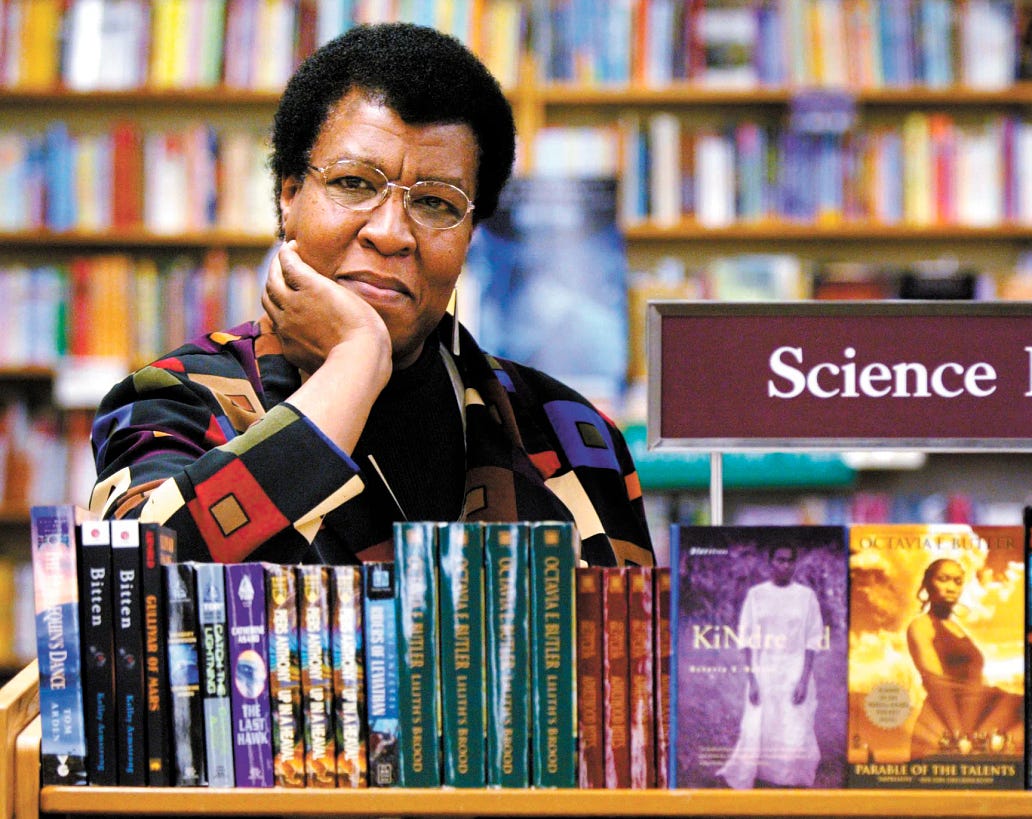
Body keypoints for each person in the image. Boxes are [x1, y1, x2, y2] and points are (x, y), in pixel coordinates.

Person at [86, 23, 653, 568]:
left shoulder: (573, 435)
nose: (390, 232)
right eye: (353, 183)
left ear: (470, 236)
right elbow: (133, 590)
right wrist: (356, 361)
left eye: (436, 202)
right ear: (289, 195)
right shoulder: (178, 402)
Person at [716, 545, 826, 789]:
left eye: (790, 561)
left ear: (795, 564)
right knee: (759, 721)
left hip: (794, 668)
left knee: (794, 722)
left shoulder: (806, 596)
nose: (785, 565)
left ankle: (789, 776)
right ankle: (760, 771)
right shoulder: (757, 595)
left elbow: (812, 639)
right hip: (764, 667)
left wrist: (804, 679)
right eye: (780, 560)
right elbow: (745, 639)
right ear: (771, 562)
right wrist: (752, 679)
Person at [906, 558, 1022, 758]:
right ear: (927, 583)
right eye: (944, 579)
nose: (951, 587)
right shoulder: (921, 626)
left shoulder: (958, 628)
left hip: (972, 728)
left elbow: (973, 681)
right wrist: (959, 735)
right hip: (945, 731)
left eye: (958, 581)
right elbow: (937, 684)